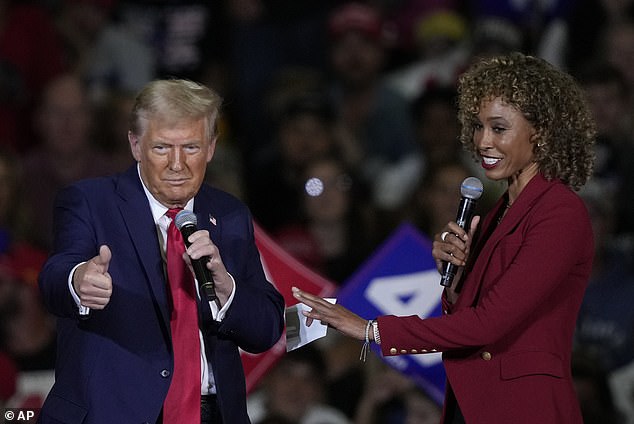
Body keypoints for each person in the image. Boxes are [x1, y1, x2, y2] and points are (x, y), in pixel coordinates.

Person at [292, 52, 596, 423]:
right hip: (473, 404)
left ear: (541, 131)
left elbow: (488, 324)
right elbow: (472, 316)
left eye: (498, 128)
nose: (483, 141)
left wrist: (369, 328)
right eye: (478, 127)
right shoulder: (496, 214)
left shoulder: (559, 212)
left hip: (524, 407)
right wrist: (456, 285)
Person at [37, 79, 285, 423]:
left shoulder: (229, 214)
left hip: (212, 413)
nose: (177, 164)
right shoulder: (91, 202)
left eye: (192, 148)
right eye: (162, 148)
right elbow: (53, 278)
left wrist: (227, 288)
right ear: (135, 145)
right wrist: (78, 279)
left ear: (211, 148)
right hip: (114, 412)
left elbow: (267, 329)